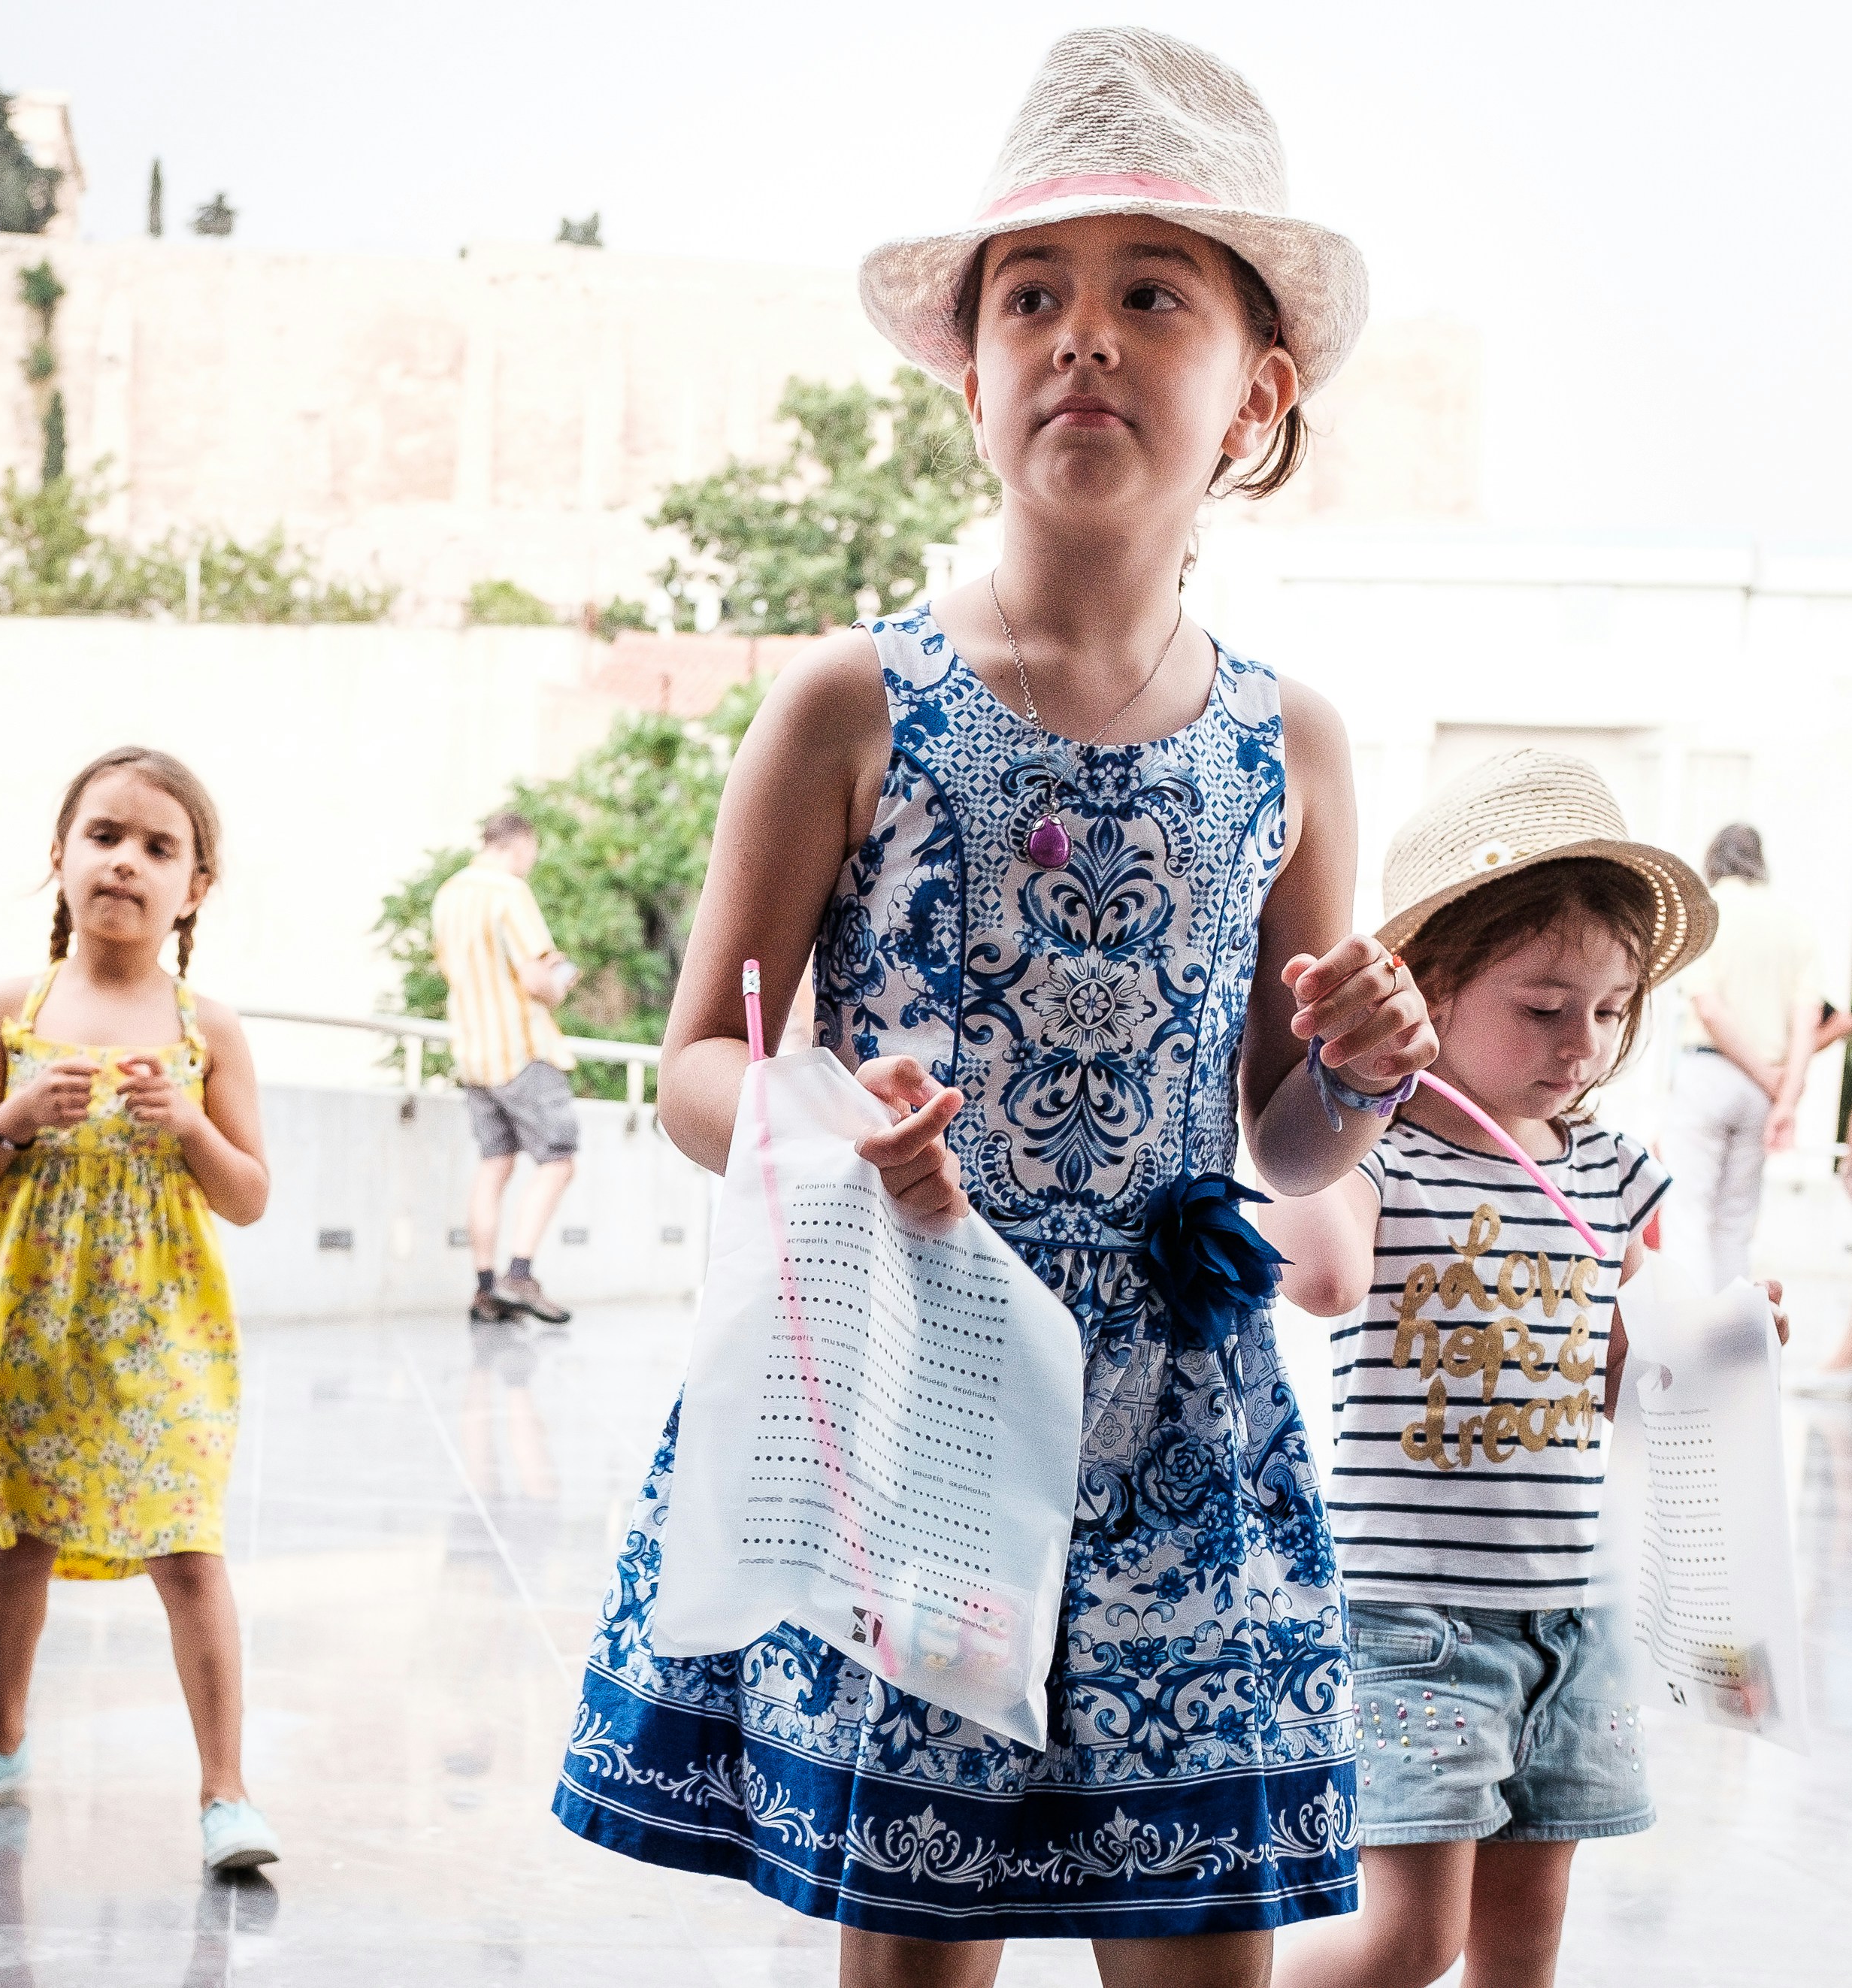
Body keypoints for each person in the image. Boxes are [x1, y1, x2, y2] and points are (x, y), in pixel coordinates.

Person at [554, 29, 1440, 1983]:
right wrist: (821, 1124)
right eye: (1028, 295)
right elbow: (695, 1060)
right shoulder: (845, 700)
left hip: (1177, 1423)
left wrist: (1357, 1075)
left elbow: (1279, 1136)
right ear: (966, 372)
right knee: (916, 1938)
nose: (1080, 335)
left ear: (1257, 389)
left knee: (1194, 1927)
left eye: (1152, 294)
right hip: (913, 1390)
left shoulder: (1286, 739)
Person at [1259, 752, 1778, 1988]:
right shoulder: (1379, 1154)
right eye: (1544, 1008)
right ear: (1428, 982)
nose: (1583, 1045)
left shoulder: (1611, 1170)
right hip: (1412, 1624)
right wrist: (1335, 1081)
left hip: (1575, 1616)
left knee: (1524, 1941)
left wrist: (1720, 1344)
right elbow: (1313, 1271)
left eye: (1611, 1010)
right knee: (1409, 1936)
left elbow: (1624, 1382)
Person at [0, 745, 280, 1873]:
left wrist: (191, 1125)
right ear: (60, 855)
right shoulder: (13, 1008)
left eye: (158, 847)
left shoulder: (208, 1028)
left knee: (187, 1544)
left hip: (163, 1327)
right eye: (105, 835)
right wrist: (13, 1117)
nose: (125, 861)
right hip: (31, 1319)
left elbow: (248, 1195)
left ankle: (226, 1789)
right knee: (17, 1534)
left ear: (194, 888)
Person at [431, 809, 578, 1325]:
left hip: (473, 1054)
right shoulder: (509, 892)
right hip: (522, 1050)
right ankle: (520, 1272)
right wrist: (561, 983)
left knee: (495, 1163)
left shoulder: (448, 895)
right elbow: (537, 979)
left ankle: (485, 1287)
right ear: (519, 844)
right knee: (558, 1160)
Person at [1663, 822, 1819, 1291]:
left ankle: (1691, 1329)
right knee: (1735, 1222)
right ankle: (1733, 1331)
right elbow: (1808, 1018)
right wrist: (1784, 1097)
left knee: (1688, 1213)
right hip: (1761, 1094)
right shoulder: (1795, 924)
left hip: (1707, 1073)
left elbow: (1709, 1009)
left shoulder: (1706, 914)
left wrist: (1766, 1078)